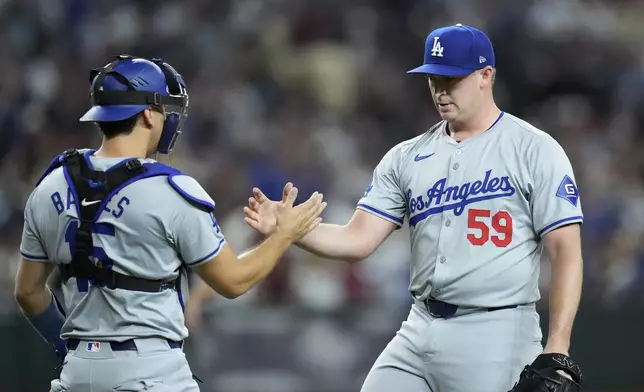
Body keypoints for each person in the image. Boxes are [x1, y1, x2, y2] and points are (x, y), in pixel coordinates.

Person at [243, 24, 584, 392]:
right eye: (433, 78)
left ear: (486, 76)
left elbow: (565, 251)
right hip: (419, 325)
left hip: (496, 330)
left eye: (451, 78)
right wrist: (291, 228)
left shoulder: (534, 149)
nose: (440, 89)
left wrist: (558, 348)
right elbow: (358, 240)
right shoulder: (406, 157)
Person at [14, 54, 326, 392]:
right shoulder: (171, 190)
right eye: (165, 110)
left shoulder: (49, 186)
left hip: (76, 375)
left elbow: (28, 293)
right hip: (150, 372)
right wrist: (284, 235)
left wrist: (70, 351)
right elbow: (233, 281)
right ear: (148, 113)